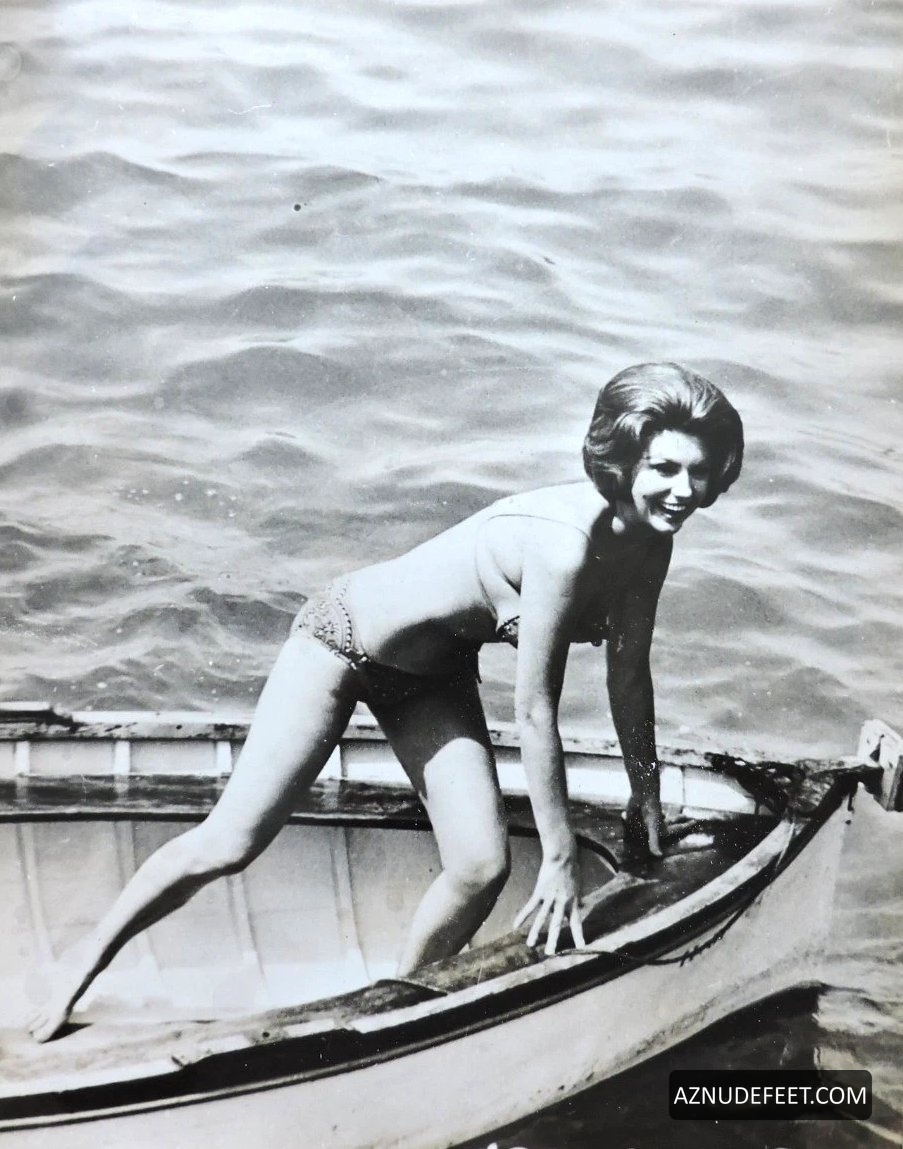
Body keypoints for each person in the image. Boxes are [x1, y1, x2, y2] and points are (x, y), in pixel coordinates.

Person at [28, 361, 743, 1043]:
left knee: (480, 867)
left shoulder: (650, 545)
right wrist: (558, 856)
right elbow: (534, 713)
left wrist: (646, 796)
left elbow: (629, 678)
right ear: (624, 460)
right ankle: (82, 965)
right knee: (232, 843)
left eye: (697, 471)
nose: (682, 489)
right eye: (663, 468)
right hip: (339, 642)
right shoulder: (564, 547)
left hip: (429, 679)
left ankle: (391, 1007)